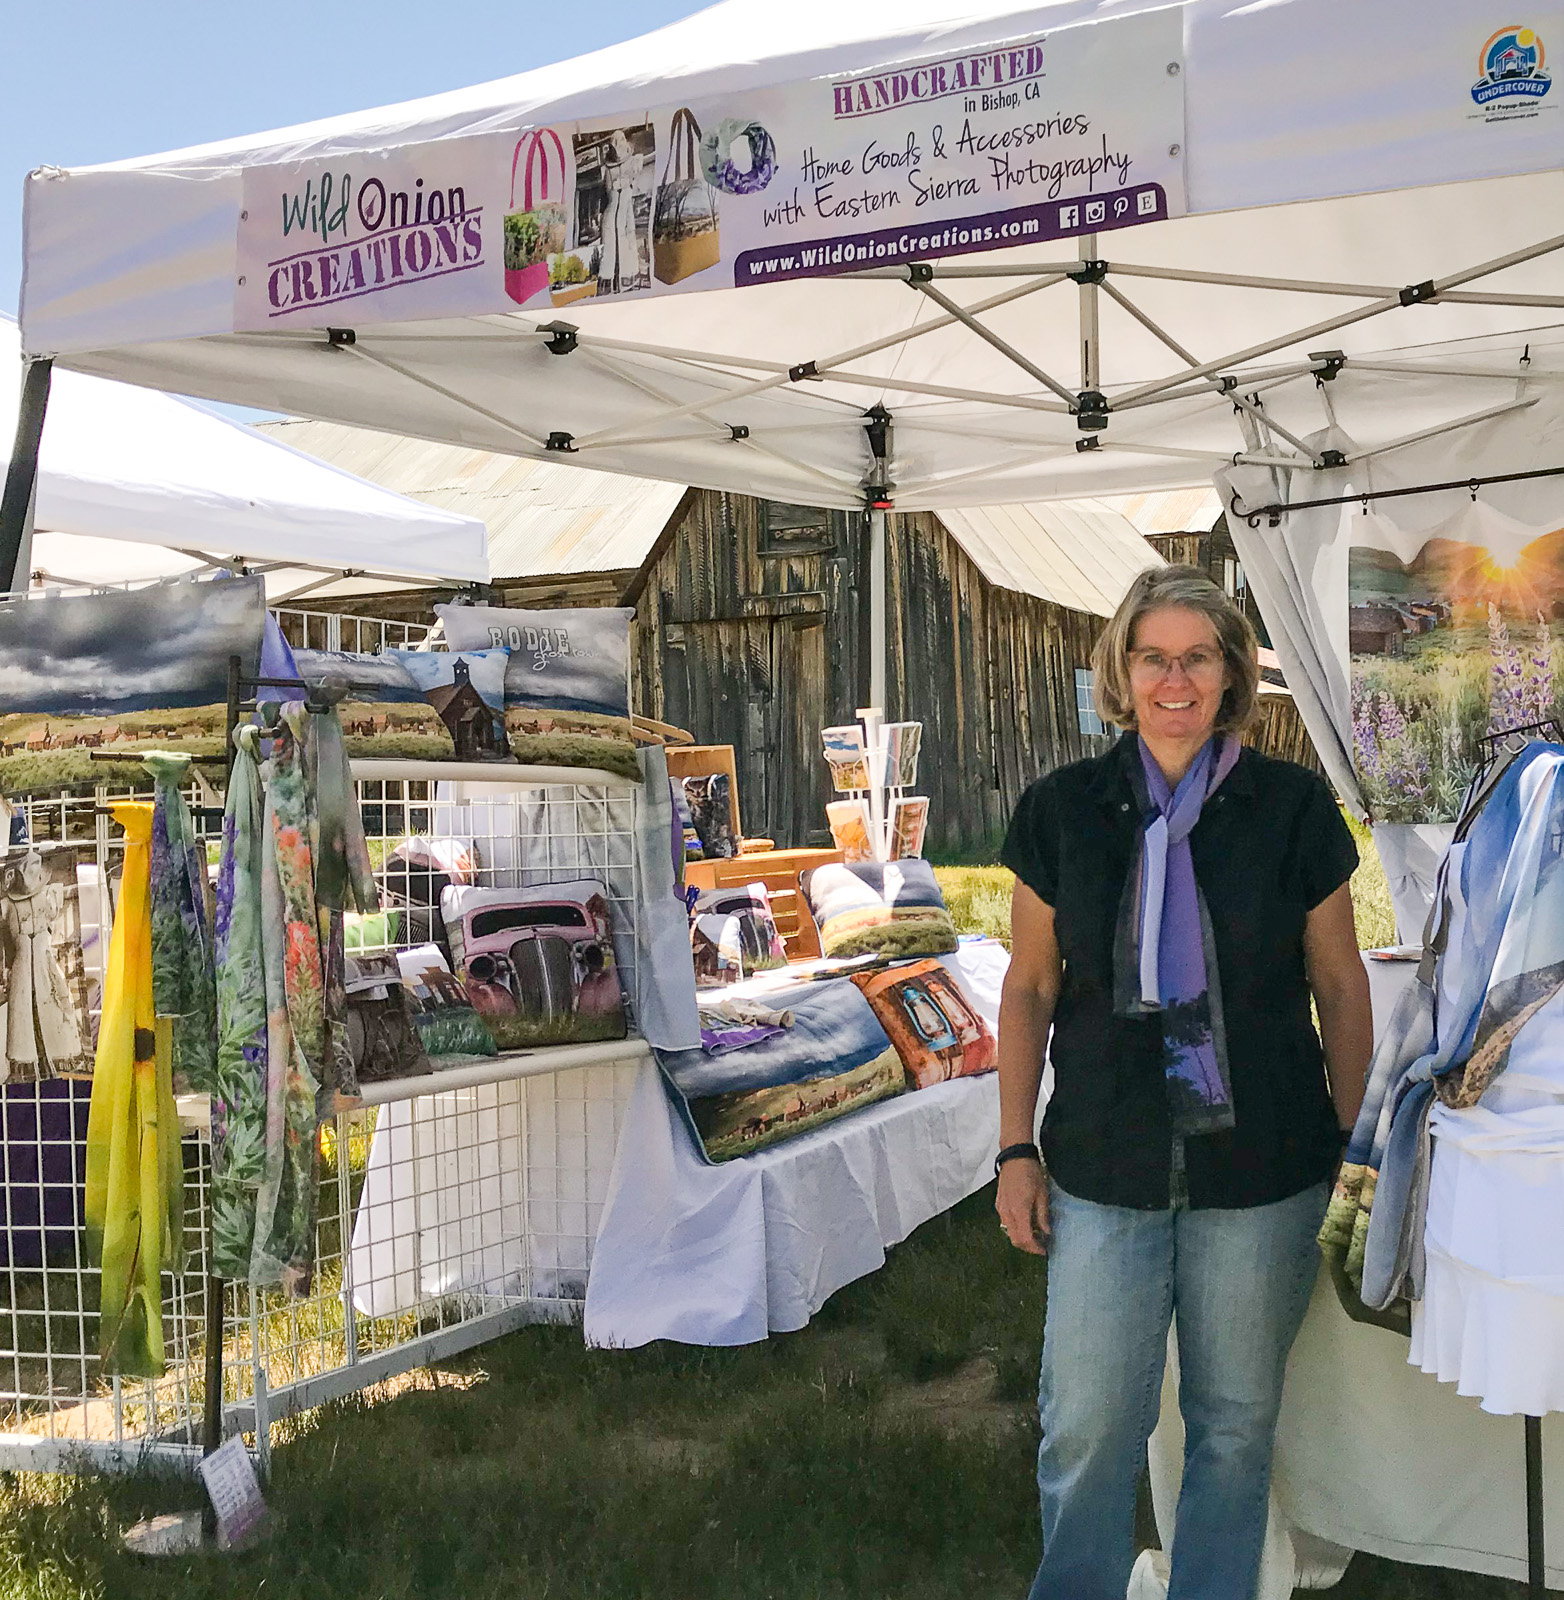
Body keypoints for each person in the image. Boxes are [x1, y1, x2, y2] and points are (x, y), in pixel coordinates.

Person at [995, 565, 1372, 1600]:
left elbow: (1340, 986)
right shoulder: (1063, 811)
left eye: (1196, 656)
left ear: (1232, 672)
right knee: (1087, 1427)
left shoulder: (1289, 806)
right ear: (1121, 668)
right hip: (1101, 1166)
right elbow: (1027, 989)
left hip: (1263, 1170)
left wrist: (1354, 1146)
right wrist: (1014, 1147)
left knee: (1234, 1427)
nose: (1174, 678)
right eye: (1152, 655)